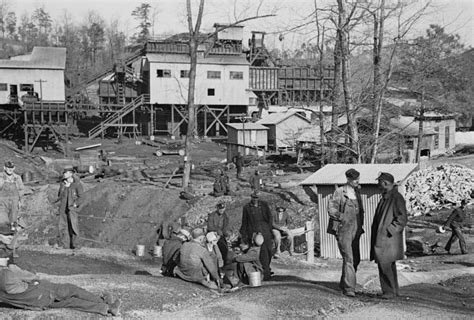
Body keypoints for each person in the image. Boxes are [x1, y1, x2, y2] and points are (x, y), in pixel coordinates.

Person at [0, 226, 121, 316]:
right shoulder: (6, 273)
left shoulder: (5, 274)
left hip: (35, 304)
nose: (7, 258)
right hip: (41, 295)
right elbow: (20, 281)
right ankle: (104, 303)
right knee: (71, 289)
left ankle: (106, 308)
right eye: (4, 257)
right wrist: (36, 281)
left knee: (71, 302)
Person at [327, 168, 364, 297]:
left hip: (356, 229)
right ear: (348, 179)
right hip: (344, 229)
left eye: (358, 179)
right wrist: (341, 217)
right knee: (349, 257)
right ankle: (349, 288)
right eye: (354, 180)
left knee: (356, 258)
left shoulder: (357, 192)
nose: (357, 181)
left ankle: (344, 284)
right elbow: (331, 208)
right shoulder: (340, 192)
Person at [370, 172, 407, 299]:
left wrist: (389, 230)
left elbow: (402, 218)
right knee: (386, 265)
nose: (378, 184)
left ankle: (389, 292)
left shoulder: (396, 197)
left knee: (384, 264)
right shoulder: (387, 197)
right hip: (385, 239)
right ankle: (393, 291)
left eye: (379, 182)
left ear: (385, 183)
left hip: (388, 239)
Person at [240, 192, 273, 281]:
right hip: (254, 232)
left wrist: (269, 230)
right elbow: (244, 222)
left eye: (257, 198)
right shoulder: (247, 207)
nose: (255, 199)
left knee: (269, 250)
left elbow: (269, 218)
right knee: (260, 252)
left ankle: (267, 268)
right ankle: (264, 273)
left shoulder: (264, 205)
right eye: (254, 197)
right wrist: (244, 235)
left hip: (265, 230)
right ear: (251, 197)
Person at [55, 167, 83, 249]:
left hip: (72, 208)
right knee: (62, 226)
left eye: (66, 173)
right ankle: (64, 245)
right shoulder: (63, 184)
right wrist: (64, 187)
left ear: (71, 174)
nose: (64, 174)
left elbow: (81, 197)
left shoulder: (77, 184)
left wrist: (75, 204)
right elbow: (59, 195)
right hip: (63, 208)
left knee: (74, 226)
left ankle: (76, 245)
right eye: (64, 173)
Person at [0, 161, 24, 257]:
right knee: (3, 225)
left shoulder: (17, 178)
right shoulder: (1, 176)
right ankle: (2, 249)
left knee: (13, 225)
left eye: (12, 168)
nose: (10, 169)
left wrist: (19, 200)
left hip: (14, 204)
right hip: (2, 204)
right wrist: (3, 180)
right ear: (4, 167)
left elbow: (21, 189)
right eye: (8, 167)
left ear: (14, 168)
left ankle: (13, 249)